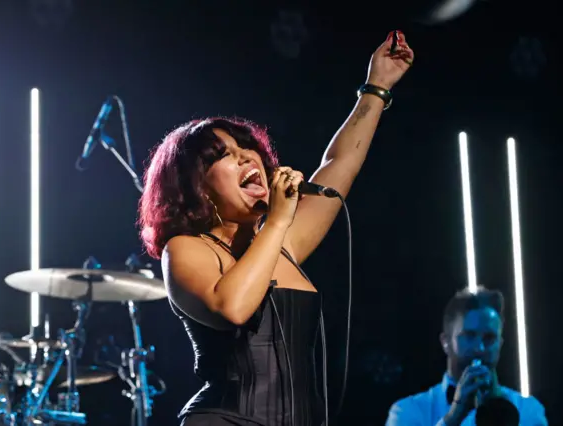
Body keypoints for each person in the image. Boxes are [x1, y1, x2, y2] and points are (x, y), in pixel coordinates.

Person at [137, 31, 414, 426]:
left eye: (246, 147)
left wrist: (377, 86)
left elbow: (339, 165)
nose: (246, 156)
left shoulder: (280, 244)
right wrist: (279, 220)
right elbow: (232, 307)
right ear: (196, 186)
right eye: (225, 156)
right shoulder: (186, 249)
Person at [385, 287, 548, 426]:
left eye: (489, 338)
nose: (479, 348)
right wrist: (453, 417)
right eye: (469, 336)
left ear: (500, 344)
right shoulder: (408, 410)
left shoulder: (528, 410)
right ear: (445, 342)